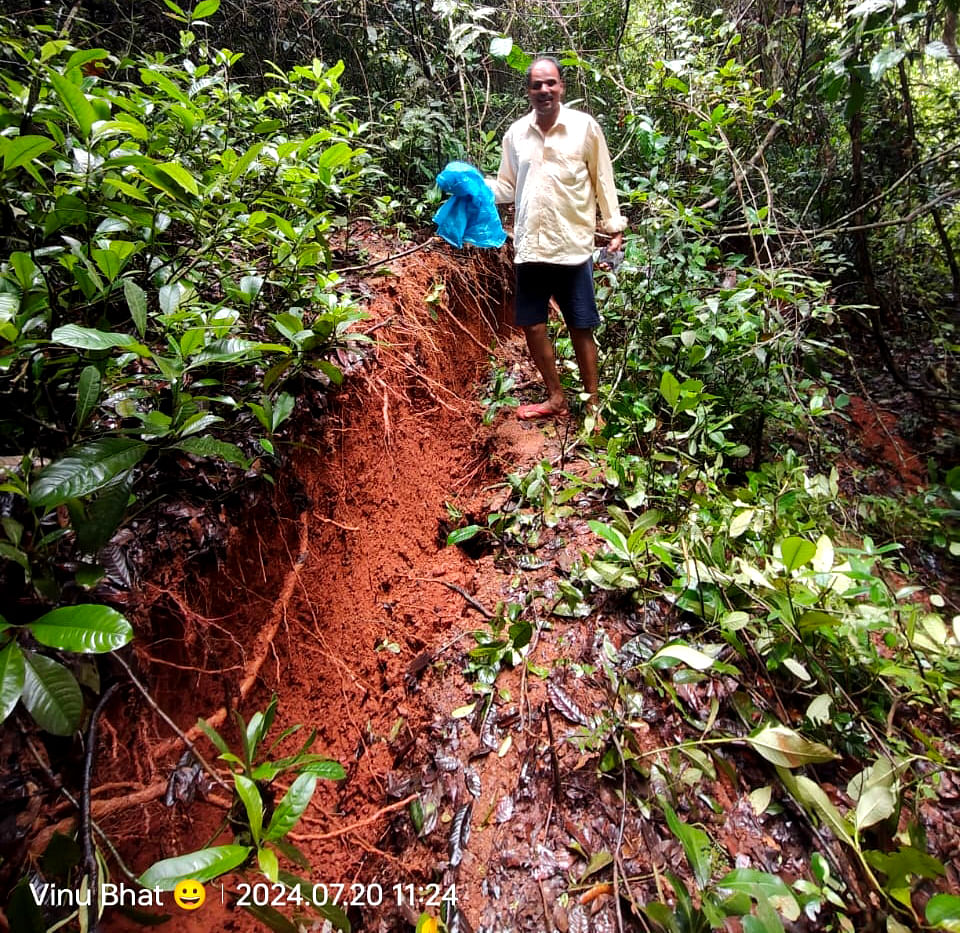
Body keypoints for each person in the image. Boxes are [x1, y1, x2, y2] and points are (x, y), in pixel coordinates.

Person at [487, 56, 627, 420]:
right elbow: (506, 186)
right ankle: (556, 397)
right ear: (529, 91)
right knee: (533, 325)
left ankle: (593, 407)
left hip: (571, 247)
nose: (544, 90)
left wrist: (614, 226)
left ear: (561, 87)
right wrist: (472, 188)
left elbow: (602, 178)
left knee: (581, 326)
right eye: (537, 85)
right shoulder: (516, 134)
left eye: (550, 83)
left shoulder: (584, 128)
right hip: (531, 246)